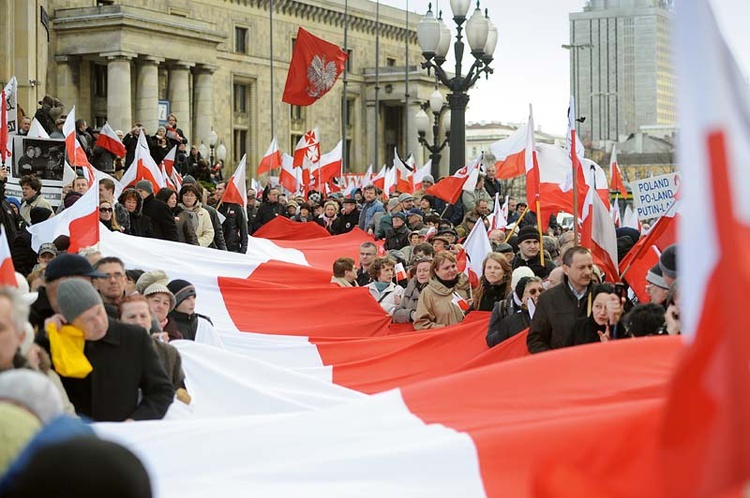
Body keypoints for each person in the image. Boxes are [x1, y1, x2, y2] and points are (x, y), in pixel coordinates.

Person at [50, 279, 173, 421]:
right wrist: (49, 333)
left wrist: (136, 420)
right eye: (88, 320)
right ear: (71, 322)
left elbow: (161, 391)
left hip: (125, 432)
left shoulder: (134, 337)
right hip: (79, 435)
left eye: (99, 312)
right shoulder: (58, 341)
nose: (99, 322)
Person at [118, 294, 189, 400]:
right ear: (119, 321)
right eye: (132, 317)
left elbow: (179, 386)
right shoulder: (109, 351)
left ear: (151, 319)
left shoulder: (168, 352)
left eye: (143, 316)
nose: (138, 322)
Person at [527, 246, 596, 353]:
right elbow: (536, 340)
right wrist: (554, 361)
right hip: (561, 366)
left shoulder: (603, 294)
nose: (587, 272)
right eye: (581, 267)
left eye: (590, 267)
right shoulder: (548, 299)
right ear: (566, 269)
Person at [413, 252, 471, 330]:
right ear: (436, 271)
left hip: (468, 337)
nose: (451, 270)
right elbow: (421, 324)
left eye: (453, 266)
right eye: (446, 268)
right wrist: (445, 329)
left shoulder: (465, 285)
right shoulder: (428, 293)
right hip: (445, 339)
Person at [486, 276, 543, 347]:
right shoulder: (512, 321)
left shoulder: (551, 313)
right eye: (533, 291)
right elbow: (491, 341)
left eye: (541, 290)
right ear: (522, 297)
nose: (538, 294)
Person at [167, 279, 218, 343]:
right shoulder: (166, 324)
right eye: (187, 299)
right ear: (175, 302)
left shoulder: (203, 324)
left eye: (194, 297)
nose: (192, 302)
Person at [392, 257, 432, 323]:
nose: (422, 274)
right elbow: (396, 314)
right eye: (419, 271)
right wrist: (411, 314)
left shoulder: (439, 290)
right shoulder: (409, 290)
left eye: (425, 270)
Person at [214, 181, 248, 253]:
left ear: (227, 190)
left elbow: (243, 230)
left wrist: (243, 249)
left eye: (219, 189)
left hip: (232, 248)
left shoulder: (237, 208)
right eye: (216, 189)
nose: (216, 191)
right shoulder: (214, 208)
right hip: (217, 248)